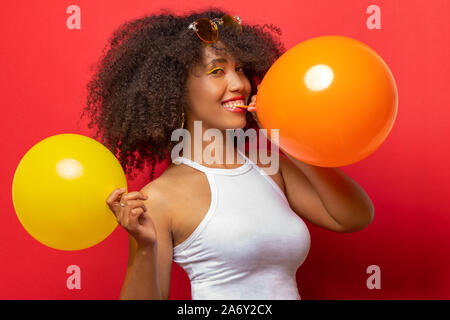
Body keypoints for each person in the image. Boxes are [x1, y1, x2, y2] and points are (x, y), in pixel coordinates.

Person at [82, 8, 374, 300]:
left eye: (240, 69)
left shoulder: (270, 167)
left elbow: (353, 217)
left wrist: (286, 138)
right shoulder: (159, 198)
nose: (239, 85)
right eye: (217, 71)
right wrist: (145, 247)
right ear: (175, 90)